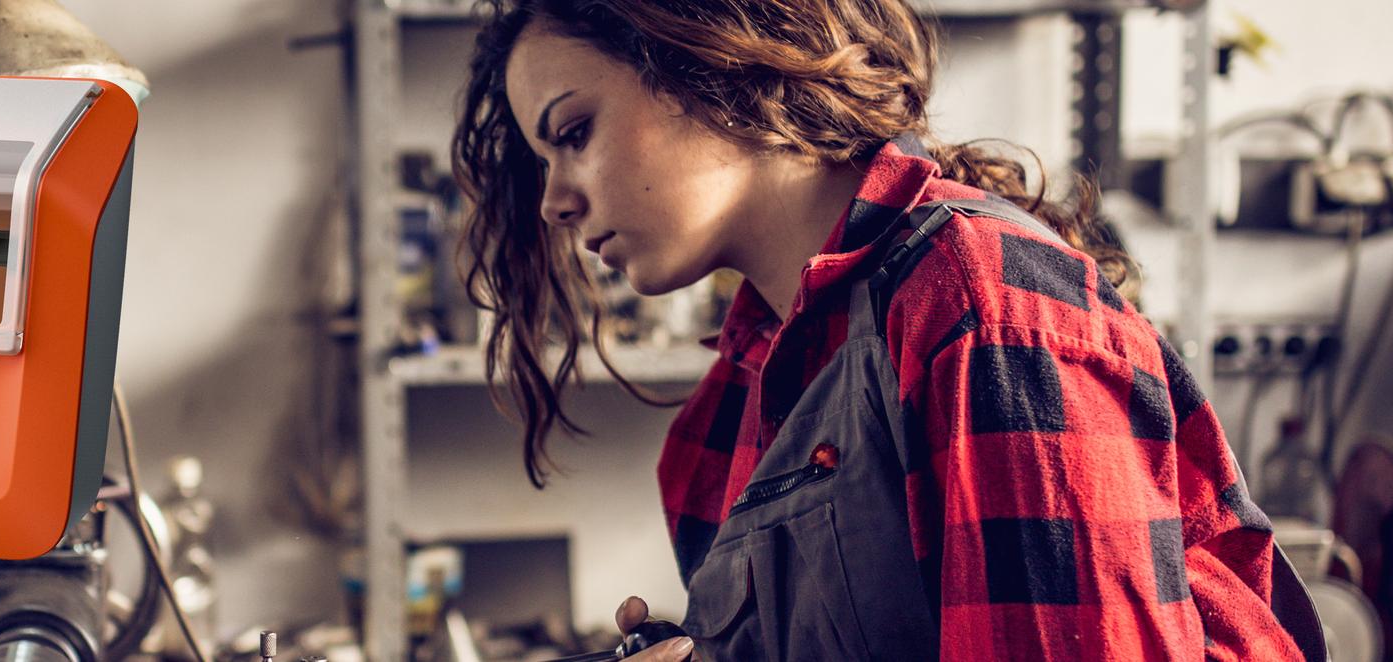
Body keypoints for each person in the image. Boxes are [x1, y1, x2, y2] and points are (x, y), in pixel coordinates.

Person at [448, 0, 1313, 658]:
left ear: (709, 61)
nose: (555, 200)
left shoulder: (982, 311)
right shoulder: (736, 400)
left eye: (572, 133)